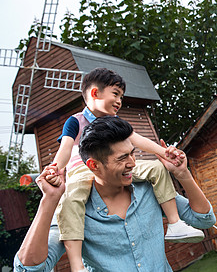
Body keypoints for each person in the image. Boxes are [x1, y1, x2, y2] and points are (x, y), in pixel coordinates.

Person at [14, 116, 216, 271]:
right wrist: (49, 199)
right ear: (94, 165)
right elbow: (28, 268)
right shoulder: (73, 209)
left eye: (132, 153)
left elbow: (204, 220)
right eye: (122, 158)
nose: (133, 163)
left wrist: (183, 174)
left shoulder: (149, 190)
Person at [51, 68, 204, 271]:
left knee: (157, 169)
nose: (119, 101)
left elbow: (138, 140)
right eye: (115, 94)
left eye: (121, 96)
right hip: (83, 170)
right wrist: (55, 169)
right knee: (71, 201)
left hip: (117, 166)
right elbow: (66, 147)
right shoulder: (75, 121)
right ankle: (77, 265)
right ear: (95, 93)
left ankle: (175, 223)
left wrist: (166, 153)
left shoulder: (117, 123)